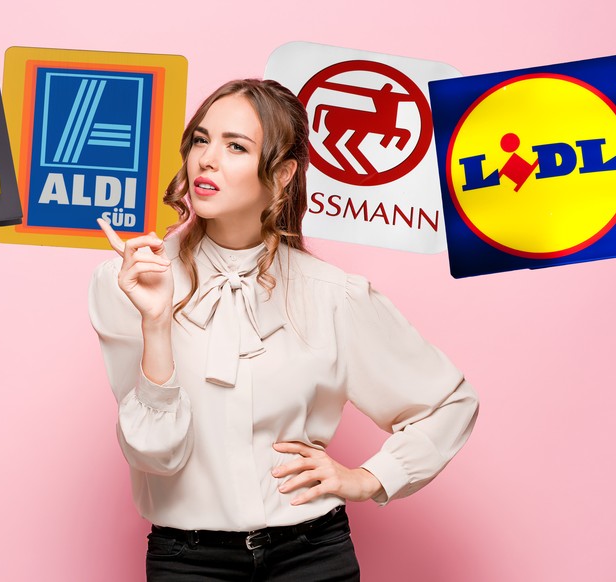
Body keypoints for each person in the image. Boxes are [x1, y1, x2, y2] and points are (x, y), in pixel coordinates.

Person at [88, 78, 478, 581]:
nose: (207, 159)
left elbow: (449, 402)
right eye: (201, 140)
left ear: (283, 172)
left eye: (236, 147)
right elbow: (155, 455)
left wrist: (370, 478)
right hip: (188, 563)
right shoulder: (131, 280)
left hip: (312, 556)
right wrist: (157, 324)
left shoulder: (331, 294)